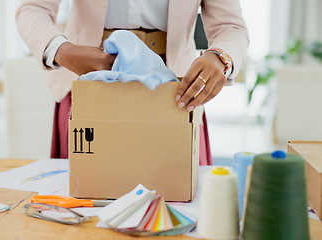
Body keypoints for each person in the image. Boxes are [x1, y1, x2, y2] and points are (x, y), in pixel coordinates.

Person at [16, 0, 249, 165]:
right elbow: (33, 8)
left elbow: (230, 26)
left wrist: (221, 57)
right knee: (82, 205)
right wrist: (64, 51)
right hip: (87, 84)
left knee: (178, 207)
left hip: (175, 92)